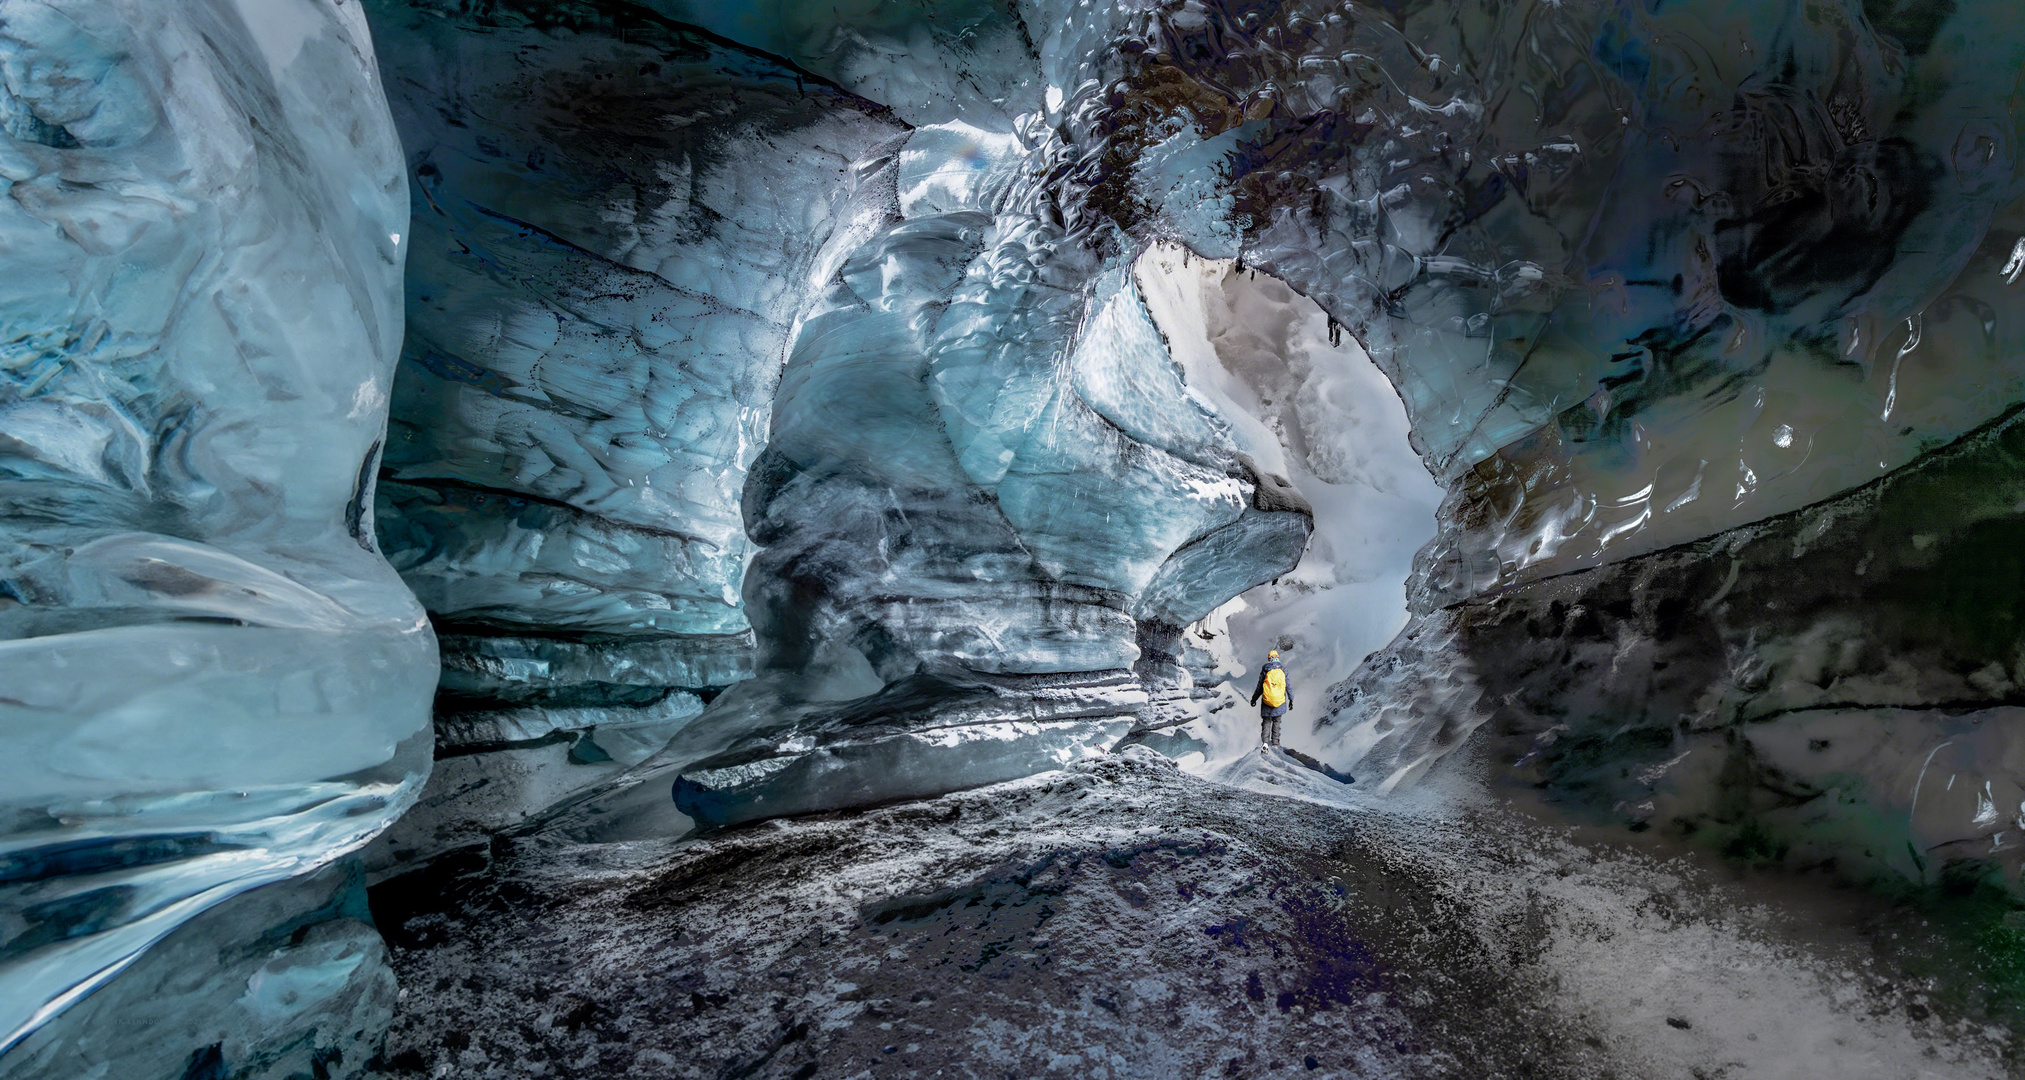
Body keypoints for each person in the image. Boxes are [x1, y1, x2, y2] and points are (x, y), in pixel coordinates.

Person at [1248, 648, 1291, 749]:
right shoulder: (1283, 670)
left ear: (1269, 659)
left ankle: (1265, 743)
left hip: (1267, 700)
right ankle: (1275, 744)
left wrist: (1254, 699)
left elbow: (1259, 687)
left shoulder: (1265, 669)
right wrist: (1291, 699)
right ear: (1278, 658)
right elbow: (1288, 686)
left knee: (1266, 722)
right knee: (1277, 722)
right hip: (1280, 701)